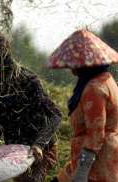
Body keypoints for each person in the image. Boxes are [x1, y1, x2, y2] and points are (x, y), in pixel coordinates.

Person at [0, 31, 62, 182]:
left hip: (41, 150)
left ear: (3, 59)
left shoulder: (28, 81)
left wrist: (39, 144)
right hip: (15, 153)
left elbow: (56, 115)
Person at [48, 29, 118, 182]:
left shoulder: (94, 89)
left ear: (87, 65)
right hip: (91, 158)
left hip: (96, 166)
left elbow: (95, 135)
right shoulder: (107, 79)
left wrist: (82, 172)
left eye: (75, 65)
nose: (72, 70)